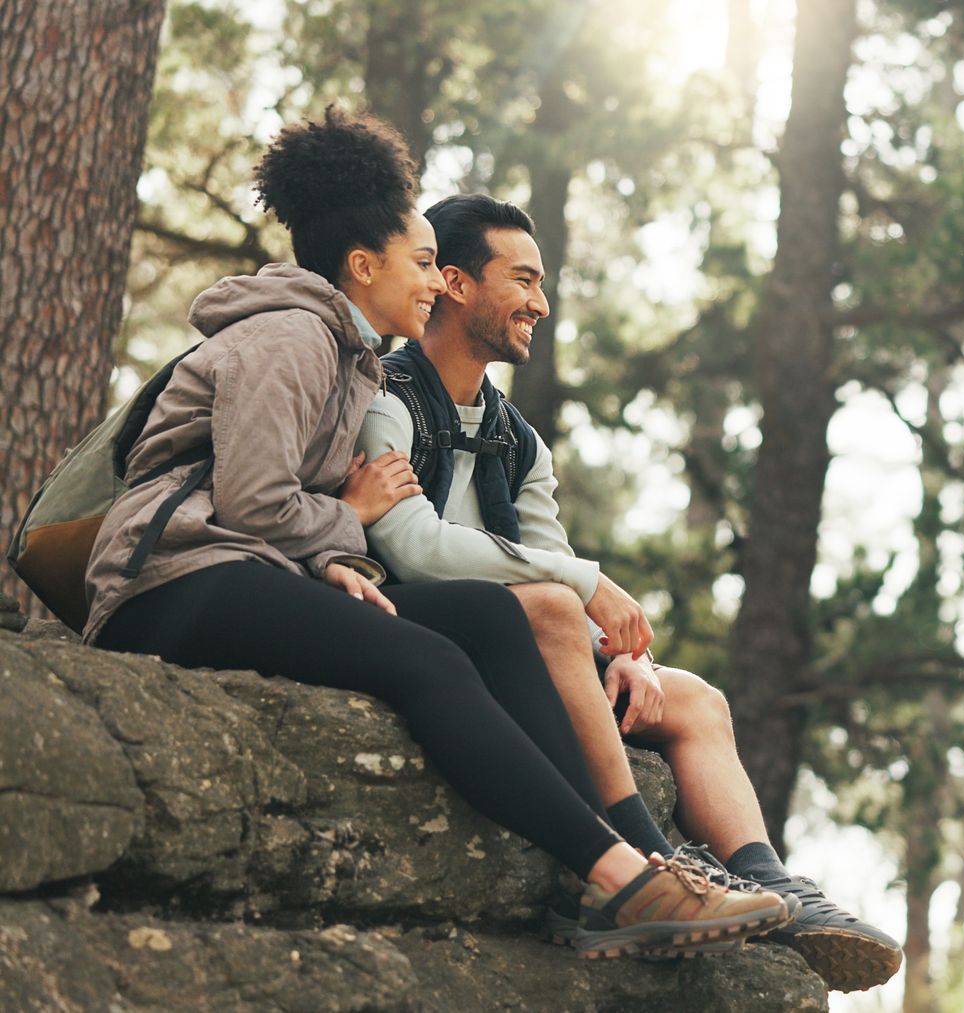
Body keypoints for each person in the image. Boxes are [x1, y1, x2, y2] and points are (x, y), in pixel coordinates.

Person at [83, 107, 789, 960]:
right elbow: (253, 500)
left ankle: (613, 873)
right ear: (362, 263)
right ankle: (620, 876)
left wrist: (338, 557)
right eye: (421, 263)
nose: (432, 279)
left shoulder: (349, 359)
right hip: (168, 580)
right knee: (430, 661)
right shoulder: (290, 336)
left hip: (240, 569)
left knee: (491, 623)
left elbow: (298, 510)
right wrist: (355, 521)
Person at [353, 192, 903, 993]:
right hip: (428, 630)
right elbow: (411, 544)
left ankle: (777, 885)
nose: (541, 303)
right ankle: (644, 860)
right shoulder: (386, 395)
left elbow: (550, 559)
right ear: (459, 284)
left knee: (694, 699)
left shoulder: (518, 439)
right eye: (524, 280)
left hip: (528, 641)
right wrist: (584, 589)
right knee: (546, 605)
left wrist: (623, 653)